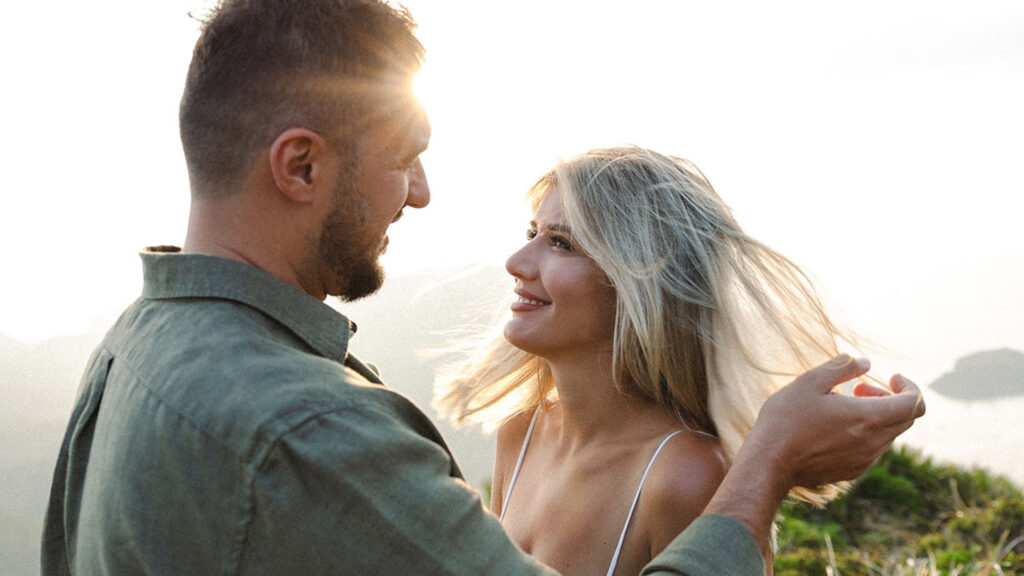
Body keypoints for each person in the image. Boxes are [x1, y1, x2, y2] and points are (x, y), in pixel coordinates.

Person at [40, 1, 925, 575]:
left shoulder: (135, 343)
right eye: (402, 160)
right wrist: (769, 463)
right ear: (300, 165)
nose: (420, 192)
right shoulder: (307, 431)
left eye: (559, 242)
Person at [434, 146, 894, 574]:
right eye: (532, 233)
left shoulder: (685, 474)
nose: (517, 261)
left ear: (635, 284)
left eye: (561, 243)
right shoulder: (521, 433)